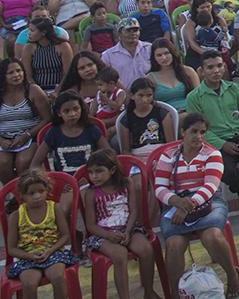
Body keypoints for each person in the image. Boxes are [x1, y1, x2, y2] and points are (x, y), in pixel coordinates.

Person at [151, 112, 239, 299]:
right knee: (174, 243)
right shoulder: (168, 156)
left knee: (212, 236)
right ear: (183, 132)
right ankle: (174, 293)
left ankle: (233, 276)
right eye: (194, 131)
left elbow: (210, 187)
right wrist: (177, 203)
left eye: (202, 132)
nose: (199, 137)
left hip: (209, 202)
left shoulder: (212, 154)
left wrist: (186, 206)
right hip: (176, 202)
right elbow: (159, 188)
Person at [185, 52, 239, 201]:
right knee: (229, 172)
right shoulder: (194, 97)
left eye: (219, 66)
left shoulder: (234, 88)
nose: (216, 70)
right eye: (210, 67)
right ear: (202, 71)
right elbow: (198, 129)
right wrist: (222, 144)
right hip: (216, 144)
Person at [80, 148, 158, 299]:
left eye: (99, 171)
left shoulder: (127, 183)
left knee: (146, 249)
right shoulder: (91, 193)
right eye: (91, 172)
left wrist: (128, 231)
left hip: (129, 228)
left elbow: (133, 210)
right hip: (102, 234)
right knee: (119, 255)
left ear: (112, 170)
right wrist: (109, 235)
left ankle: (149, 292)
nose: (94, 176)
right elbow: (90, 225)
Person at [5, 168, 78, 297]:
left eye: (41, 191)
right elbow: (11, 249)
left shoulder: (55, 208)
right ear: (22, 195)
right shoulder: (16, 216)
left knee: (58, 277)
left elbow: (65, 236)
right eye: (31, 193)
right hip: (27, 258)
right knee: (29, 283)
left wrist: (50, 250)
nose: (37, 196)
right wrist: (30, 256)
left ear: (47, 191)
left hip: (54, 253)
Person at [0, 59, 49, 183]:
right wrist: (1, 141)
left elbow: (48, 118)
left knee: (23, 162)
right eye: (10, 73)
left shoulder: (33, 90)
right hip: (4, 139)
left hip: (30, 137)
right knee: (3, 163)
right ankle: (14, 195)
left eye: (18, 70)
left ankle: (26, 193)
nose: (16, 75)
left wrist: (26, 136)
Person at [101, 19, 152, 90]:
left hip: (151, 92)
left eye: (135, 30)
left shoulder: (150, 48)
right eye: (128, 31)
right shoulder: (108, 56)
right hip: (124, 96)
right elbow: (106, 80)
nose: (133, 33)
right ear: (119, 33)